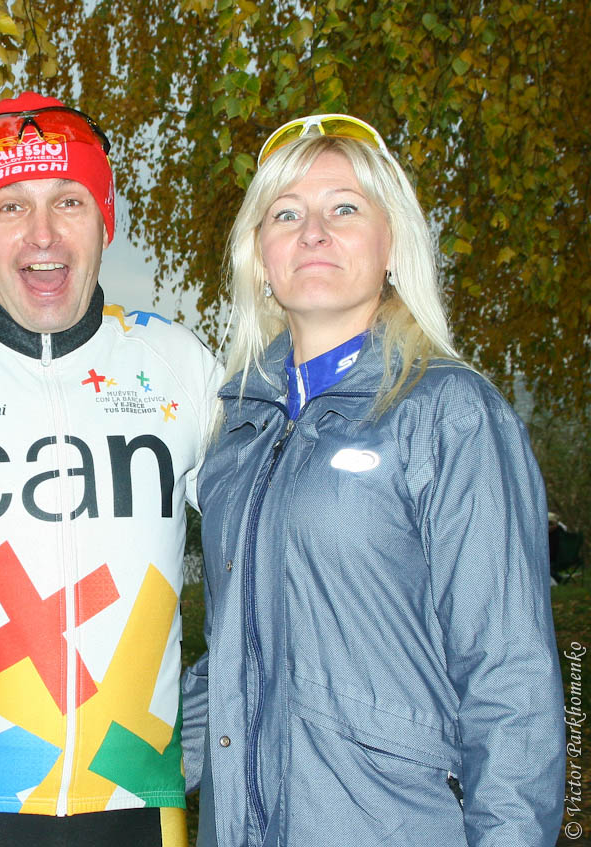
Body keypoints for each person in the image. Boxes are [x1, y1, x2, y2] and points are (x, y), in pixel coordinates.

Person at [181, 114, 565, 846]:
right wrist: (121, 760)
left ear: (392, 245)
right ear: (260, 258)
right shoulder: (239, 429)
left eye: (345, 209)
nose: (313, 233)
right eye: (286, 214)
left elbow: (510, 676)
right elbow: (237, 651)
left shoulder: (449, 412)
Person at [0, 92, 220, 846]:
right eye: (11, 207)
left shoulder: (177, 364)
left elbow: (273, 554)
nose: (43, 234)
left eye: (69, 201)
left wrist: (215, 711)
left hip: (139, 792)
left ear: (105, 220)